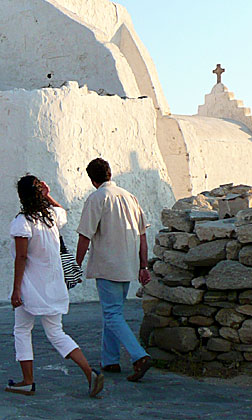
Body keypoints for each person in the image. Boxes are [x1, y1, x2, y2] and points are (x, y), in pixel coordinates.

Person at [7, 175, 104, 398]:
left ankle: (27, 381)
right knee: (56, 332)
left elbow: (21, 257)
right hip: (53, 285)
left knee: (22, 330)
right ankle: (89, 373)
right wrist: (48, 195)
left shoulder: (22, 222)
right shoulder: (50, 217)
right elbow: (63, 212)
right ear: (39, 193)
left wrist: (15, 290)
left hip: (31, 286)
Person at [76, 158, 153, 382]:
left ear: (93, 180)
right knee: (114, 312)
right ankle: (110, 360)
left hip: (108, 265)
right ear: (110, 173)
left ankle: (139, 356)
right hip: (128, 264)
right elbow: (142, 237)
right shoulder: (130, 197)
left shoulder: (97, 198)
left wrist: (76, 264)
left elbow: (84, 235)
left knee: (112, 314)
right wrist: (143, 266)